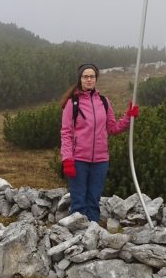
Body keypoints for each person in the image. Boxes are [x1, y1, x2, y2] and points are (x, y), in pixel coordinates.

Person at [60, 63, 139, 223]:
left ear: (96, 79)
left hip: (101, 161)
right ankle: (78, 237)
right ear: (80, 79)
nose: (89, 79)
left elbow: (112, 128)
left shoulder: (104, 101)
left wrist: (128, 117)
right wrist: (67, 158)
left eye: (92, 76)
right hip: (78, 160)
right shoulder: (72, 103)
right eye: (85, 76)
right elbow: (66, 133)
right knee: (79, 202)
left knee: (94, 200)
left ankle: (93, 233)